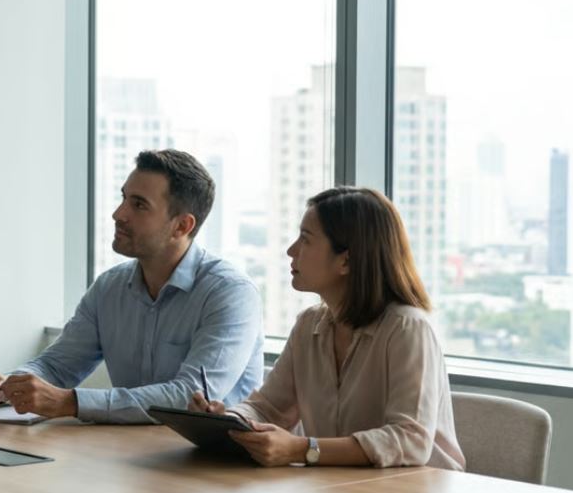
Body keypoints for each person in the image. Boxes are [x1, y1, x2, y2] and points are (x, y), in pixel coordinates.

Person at [0, 149, 264, 423]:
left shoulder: (230, 293)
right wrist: (7, 386)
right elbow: (57, 367)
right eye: (124, 198)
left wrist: (70, 403)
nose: (118, 214)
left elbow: (189, 396)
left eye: (138, 205)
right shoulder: (110, 287)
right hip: (133, 457)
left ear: (182, 226)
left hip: (218, 468)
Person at [190, 186, 464, 470]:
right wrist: (229, 421)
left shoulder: (408, 328)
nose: (291, 250)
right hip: (340, 490)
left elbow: (410, 441)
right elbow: (268, 408)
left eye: (306, 240)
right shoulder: (308, 325)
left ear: (346, 260)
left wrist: (302, 449)